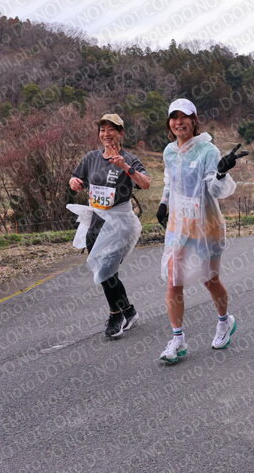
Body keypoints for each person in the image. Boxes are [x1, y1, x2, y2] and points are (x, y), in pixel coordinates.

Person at [156, 99, 247, 364]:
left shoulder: (208, 150)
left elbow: (215, 190)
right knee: (174, 279)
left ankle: (224, 321)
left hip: (206, 225)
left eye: (184, 117)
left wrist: (220, 173)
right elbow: (170, 181)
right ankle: (177, 339)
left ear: (194, 120)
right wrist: (163, 203)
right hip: (179, 224)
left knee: (210, 279)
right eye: (174, 117)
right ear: (169, 123)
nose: (178, 122)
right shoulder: (169, 151)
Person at [68, 114, 151, 338]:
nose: (106, 134)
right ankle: (129, 311)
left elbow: (145, 183)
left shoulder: (129, 159)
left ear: (121, 133)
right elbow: (76, 179)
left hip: (120, 224)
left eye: (111, 129)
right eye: (102, 130)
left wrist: (125, 167)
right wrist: (74, 183)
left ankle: (116, 315)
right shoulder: (92, 158)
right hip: (96, 223)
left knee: (106, 269)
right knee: (105, 271)